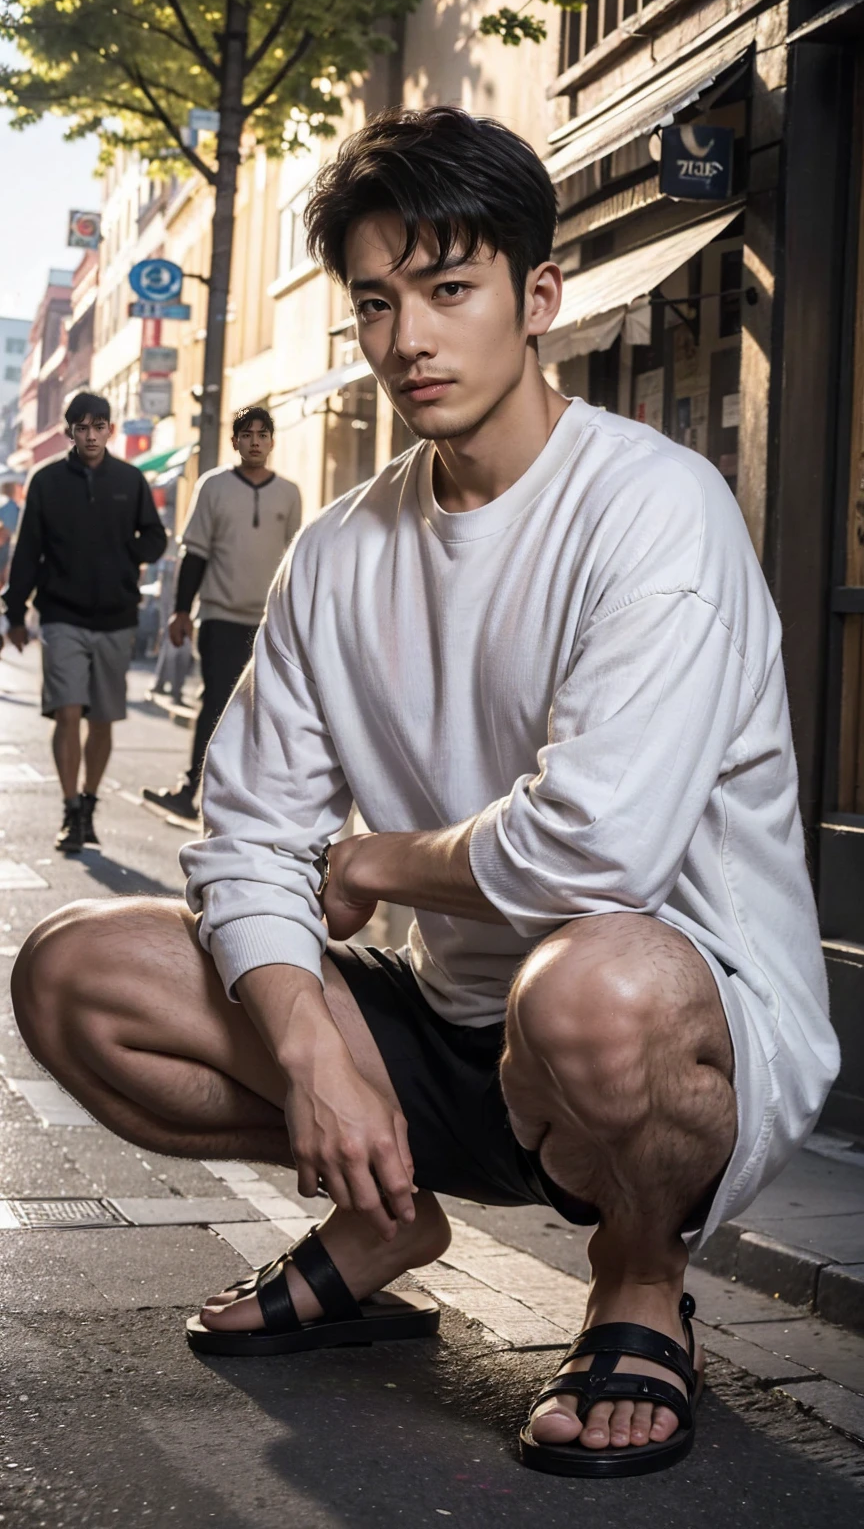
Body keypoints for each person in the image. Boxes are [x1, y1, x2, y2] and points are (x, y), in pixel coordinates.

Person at [11, 108, 838, 1480]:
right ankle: (379, 1218)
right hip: (451, 1033)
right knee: (73, 975)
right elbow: (250, 836)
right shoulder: (340, 549)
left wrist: (382, 863)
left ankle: (637, 1275)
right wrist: (321, 1051)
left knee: (594, 989)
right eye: (381, 302)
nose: (410, 340)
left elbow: (598, 848)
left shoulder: (654, 509)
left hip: (666, 1033)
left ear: (540, 298)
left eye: (452, 290)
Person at [2, 392, 166, 851]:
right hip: (61, 614)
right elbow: (27, 550)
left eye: (99, 426)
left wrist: (125, 556)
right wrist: (15, 612)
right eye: (82, 427)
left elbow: (155, 536)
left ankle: (90, 804)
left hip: (116, 616)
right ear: (69, 431)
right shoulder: (46, 480)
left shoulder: (130, 480)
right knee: (68, 710)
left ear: (110, 430)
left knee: (102, 719)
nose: (91, 435)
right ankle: (71, 807)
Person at [142, 406, 301, 821]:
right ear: (234, 442)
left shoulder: (289, 493)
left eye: (263, 434)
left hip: (269, 623)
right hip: (219, 616)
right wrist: (180, 612)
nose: (255, 441)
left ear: (271, 440)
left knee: (267, 713)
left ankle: (255, 804)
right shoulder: (213, 487)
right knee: (216, 703)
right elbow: (194, 553)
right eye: (246, 434)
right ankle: (190, 789)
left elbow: (294, 564)